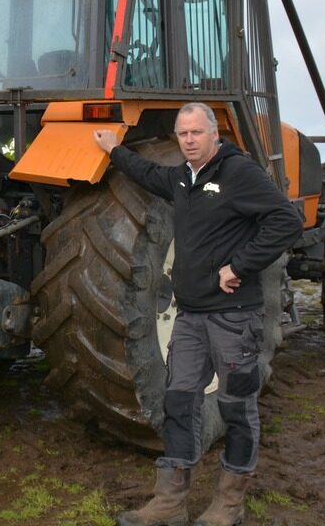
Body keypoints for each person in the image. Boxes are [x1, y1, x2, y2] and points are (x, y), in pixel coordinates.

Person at [93, 102, 303, 526]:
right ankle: (170, 502)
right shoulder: (182, 179)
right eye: (182, 134)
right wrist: (115, 150)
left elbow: (287, 220)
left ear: (213, 134)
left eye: (196, 133)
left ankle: (229, 503)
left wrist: (240, 266)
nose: (189, 140)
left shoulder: (238, 173)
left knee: (236, 407)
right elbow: (149, 175)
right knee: (179, 401)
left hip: (233, 317)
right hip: (189, 318)